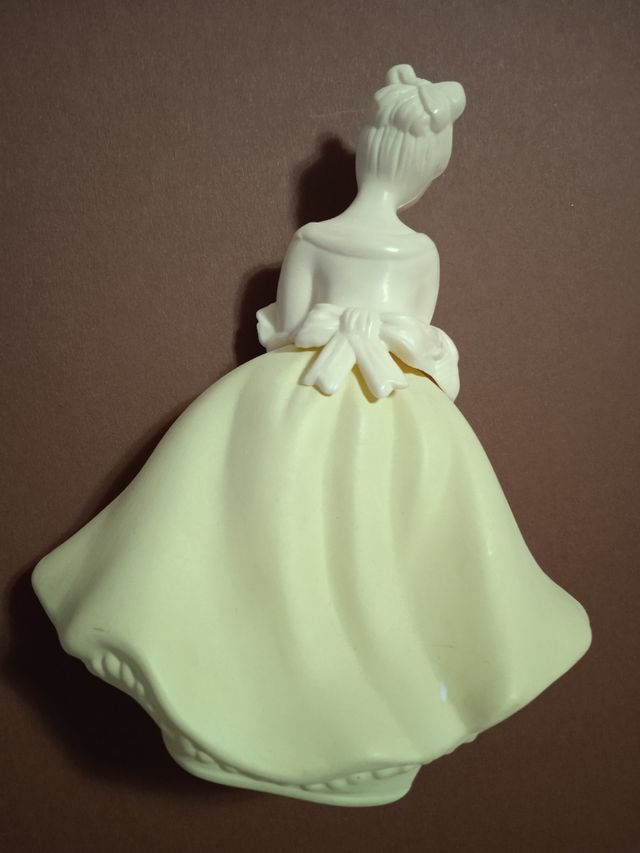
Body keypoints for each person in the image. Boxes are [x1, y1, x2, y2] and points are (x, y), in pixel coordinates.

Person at [32, 65, 591, 807]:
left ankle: (283, 712)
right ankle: (319, 720)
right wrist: (378, 336)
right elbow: (420, 342)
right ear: (426, 170)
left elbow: (286, 327)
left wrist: (348, 329)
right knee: (364, 552)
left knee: (263, 540)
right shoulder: (418, 252)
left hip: (294, 395)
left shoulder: (314, 238)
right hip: (390, 407)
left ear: (368, 151)